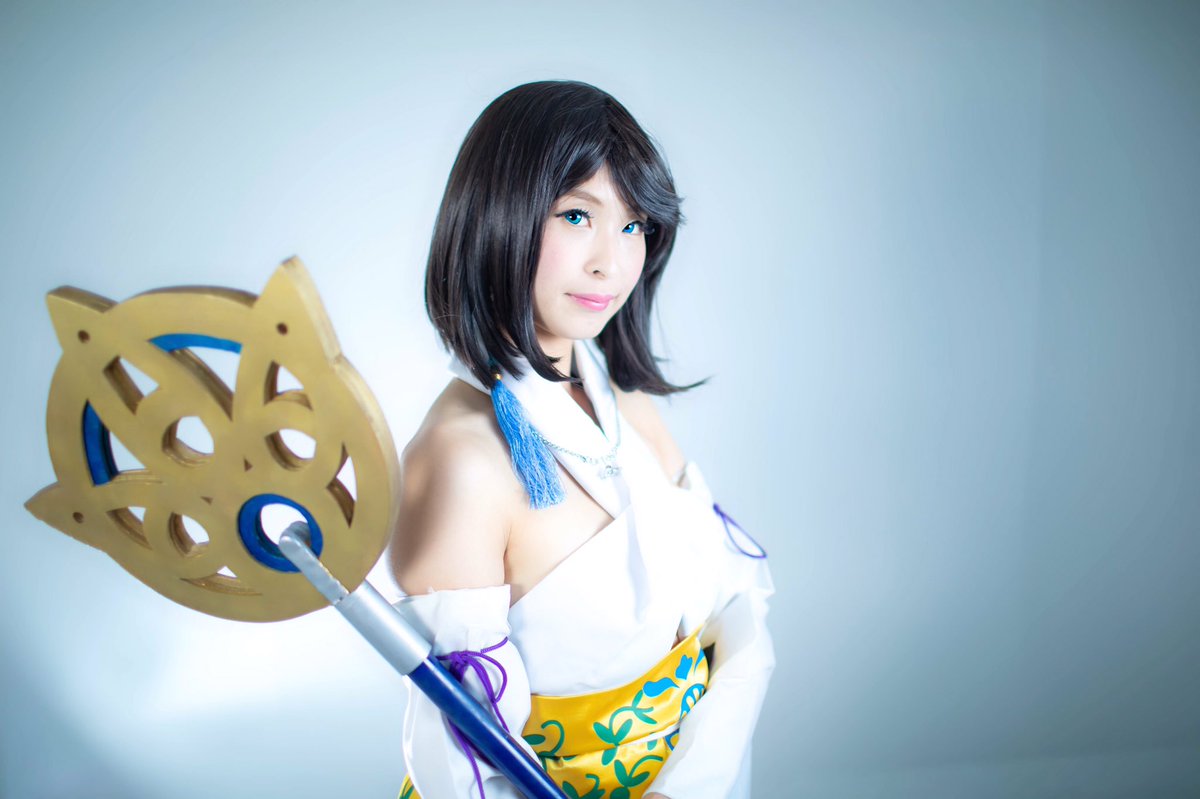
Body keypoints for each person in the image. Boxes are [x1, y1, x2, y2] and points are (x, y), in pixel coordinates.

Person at [387, 80, 774, 799]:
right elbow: (464, 762)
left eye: (634, 225)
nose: (612, 262)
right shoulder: (459, 462)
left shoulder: (619, 398)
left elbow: (739, 609)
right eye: (576, 215)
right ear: (499, 216)